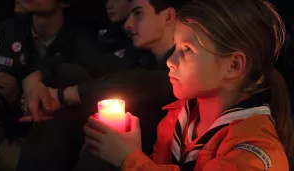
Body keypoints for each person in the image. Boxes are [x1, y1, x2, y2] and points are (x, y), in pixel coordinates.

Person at [83, 0, 294, 170]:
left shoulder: (254, 153)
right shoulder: (178, 118)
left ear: (234, 65)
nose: (170, 62)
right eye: (175, 47)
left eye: (188, 50)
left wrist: (129, 159)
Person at [18, 0, 186, 170]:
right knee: (69, 75)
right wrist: (34, 79)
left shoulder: (185, 69)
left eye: (138, 14)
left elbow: (148, 81)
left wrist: (63, 96)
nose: (127, 25)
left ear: (168, 16)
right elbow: (77, 62)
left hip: (151, 156)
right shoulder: (135, 56)